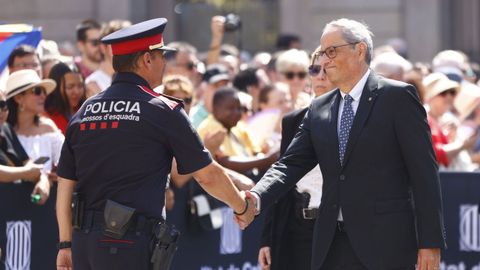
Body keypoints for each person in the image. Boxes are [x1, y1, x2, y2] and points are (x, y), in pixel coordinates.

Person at [237, 18, 446, 270]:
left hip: (385, 243)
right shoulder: (318, 108)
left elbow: (424, 174)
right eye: (322, 53)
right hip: (330, 243)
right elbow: (290, 164)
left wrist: (430, 243)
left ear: (359, 50)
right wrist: (256, 197)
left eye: (331, 51)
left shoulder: (397, 97)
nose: (324, 60)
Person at [55, 18, 249, 270]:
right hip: (129, 244)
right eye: (161, 56)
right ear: (147, 59)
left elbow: (65, 186)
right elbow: (207, 175)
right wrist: (242, 206)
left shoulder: (86, 110)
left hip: (84, 245)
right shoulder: (162, 109)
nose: (165, 64)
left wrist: (65, 245)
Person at [258, 49, 334, 270]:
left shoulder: (355, 118)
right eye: (314, 69)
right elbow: (282, 178)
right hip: (297, 227)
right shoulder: (293, 120)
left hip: (341, 230)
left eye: (327, 70)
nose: (320, 76)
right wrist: (267, 239)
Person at [5, 69, 62, 205]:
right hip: (6, 206)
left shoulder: (49, 127)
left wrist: (54, 177)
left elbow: (69, 162)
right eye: (37, 91)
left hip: (43, 207)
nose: (43, 96)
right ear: (18, 98)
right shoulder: (4, 131)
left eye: (44, 91)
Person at [45, 62, 86, 134]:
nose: (76, 92)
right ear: (56, 88)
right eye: (70, 87)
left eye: (80, 86)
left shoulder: (87, 111)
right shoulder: (46, 118)